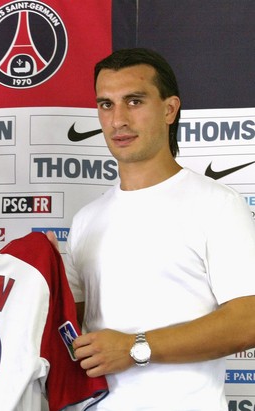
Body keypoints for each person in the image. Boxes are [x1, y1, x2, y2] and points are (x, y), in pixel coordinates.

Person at [64, 48, 255, 410]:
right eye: (106, 104)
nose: (118, 120)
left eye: (134, 101)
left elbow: (248, 320)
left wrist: (136, 348)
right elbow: (68, 328)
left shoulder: (217, 204)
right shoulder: (85, 219)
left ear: (169, 109)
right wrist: (35, 275)